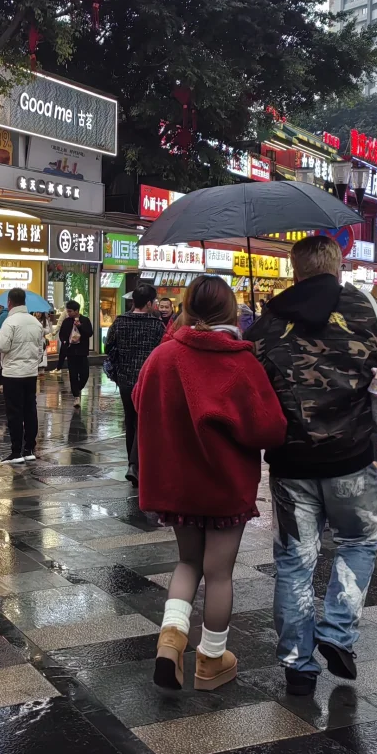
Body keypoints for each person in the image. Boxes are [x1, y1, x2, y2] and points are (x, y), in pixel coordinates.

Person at [249, 235, 377, 697]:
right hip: (352, 459)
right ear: (338, 266)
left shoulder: (267, 321)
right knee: (358, 541)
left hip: (290, 464)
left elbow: (253, 387)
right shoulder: (369, 311)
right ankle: (337, 631)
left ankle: (297, 664)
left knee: (294, 562)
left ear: (295, 270)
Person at [136, 276, 286, 693]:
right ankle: (211, 659)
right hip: (225, 485)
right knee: (219, 574)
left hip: (179, 484)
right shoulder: (241, 362)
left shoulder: (164, 356)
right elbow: (269, 429)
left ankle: (170, 640)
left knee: (187, 564)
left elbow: (138, 399)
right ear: (230, 311)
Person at [104, 283, 165, 485]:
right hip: (148, 381)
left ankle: (133, 465)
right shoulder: (157, 326)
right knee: (146, 422)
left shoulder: (120, 322)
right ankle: (139, 465)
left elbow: (108, 346)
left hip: (126, 380)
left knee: (130, 421)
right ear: (149, 303)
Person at [0, 287, 44, 463]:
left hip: (13, 373)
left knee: (15, 412)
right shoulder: (35, 322)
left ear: (9, 302)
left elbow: (1, 346)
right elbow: (40, 348)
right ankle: (29, 448)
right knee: (30, 409)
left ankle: (16, 451)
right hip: (30, 373)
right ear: (24, 301)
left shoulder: (10, 322)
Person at [56, 299, 93, 396]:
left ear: (76, 311)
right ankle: (76, 395)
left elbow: (89, 333)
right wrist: (64, 341)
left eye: (70, 311)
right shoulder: (67, 321)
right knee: (73, 374)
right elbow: (62, 334)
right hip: (70, 351)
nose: (68, 313)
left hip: (82, 352)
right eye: (67, 311)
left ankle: (78, 389)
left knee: (85, 374)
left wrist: (80, 326)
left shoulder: (85, 320)